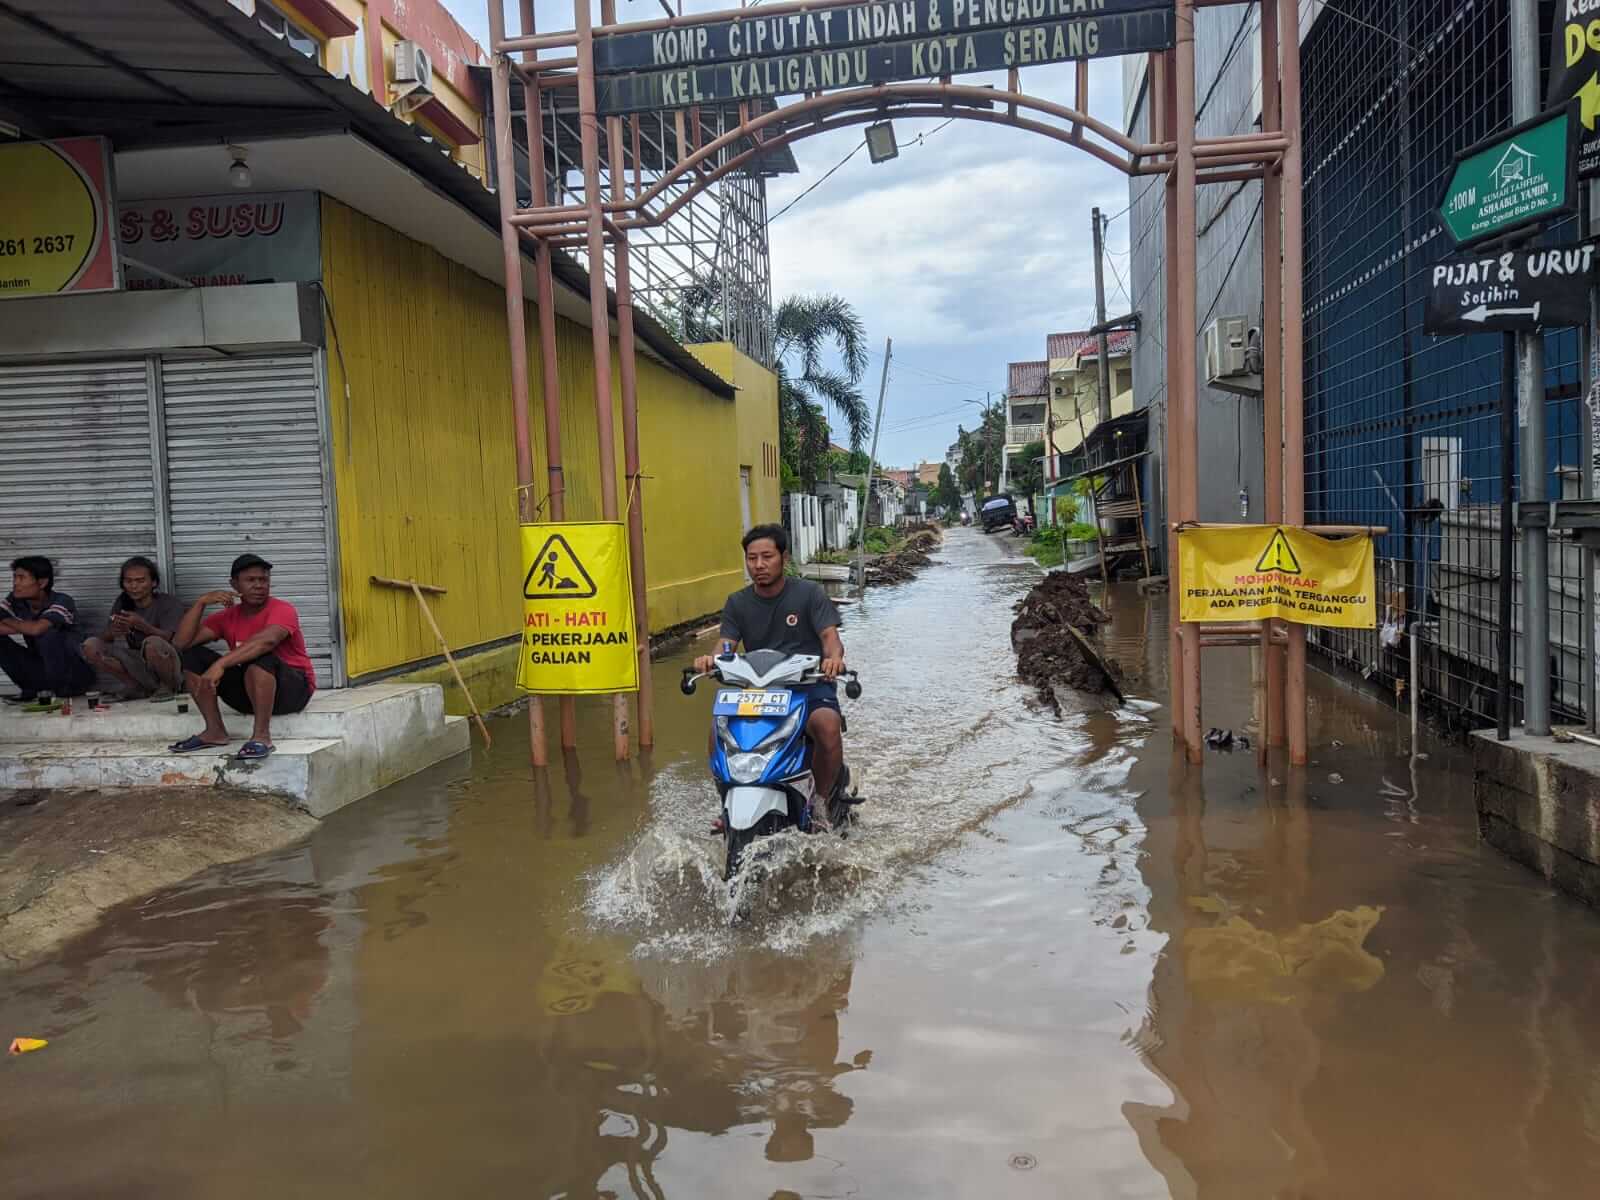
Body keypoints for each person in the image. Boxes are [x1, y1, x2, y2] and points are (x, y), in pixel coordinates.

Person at [694, 523, 847, 807]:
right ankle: (728, 803)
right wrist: (710, 660)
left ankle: (821, 804)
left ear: (784, 558)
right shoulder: (737, 603)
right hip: (759, 690)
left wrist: (833, 660)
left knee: (827, 726)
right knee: (719, 731)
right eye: (752, 558)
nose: (759, 565)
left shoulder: (809, 594)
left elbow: (830, 637)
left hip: (808, 687)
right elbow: (726, 644)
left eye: (767, 557)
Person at [169, 553, 317, 760]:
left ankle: (262, 737)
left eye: (263, 580)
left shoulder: (282, 609)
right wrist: (201, 603)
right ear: (234, 585)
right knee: (192, 657)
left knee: (260, 657)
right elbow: (180, 644)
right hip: (249, 695)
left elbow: (267, 641)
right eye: (250, 580)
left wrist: (220, 664)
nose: (258, 586)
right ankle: (214, 731)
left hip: (292, 692)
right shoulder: (227, 617)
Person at [83, 556, 185, 699]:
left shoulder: (169, 603)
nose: (134, 586)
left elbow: (170, 639)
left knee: (152, 643)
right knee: (91, 645)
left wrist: (141, 625)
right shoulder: (123, 602)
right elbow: (106, 639)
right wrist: (112, 632)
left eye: (140, 581)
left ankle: (167, 687)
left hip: (169, 663)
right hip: (137, 661)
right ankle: (135, 686)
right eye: (128, 581)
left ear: (154, 582)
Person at [0, 555, 95, 700]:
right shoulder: (16, 600)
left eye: (21, 578)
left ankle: (61, 691)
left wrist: (7, 620)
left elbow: (37, 630)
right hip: (43, 669)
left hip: (73, 673)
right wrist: (27, 627)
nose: (15, 583)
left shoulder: (62, 601)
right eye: (14, 577)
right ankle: (31, 690)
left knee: (48, 635)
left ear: (42, 582)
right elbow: (31, 628)